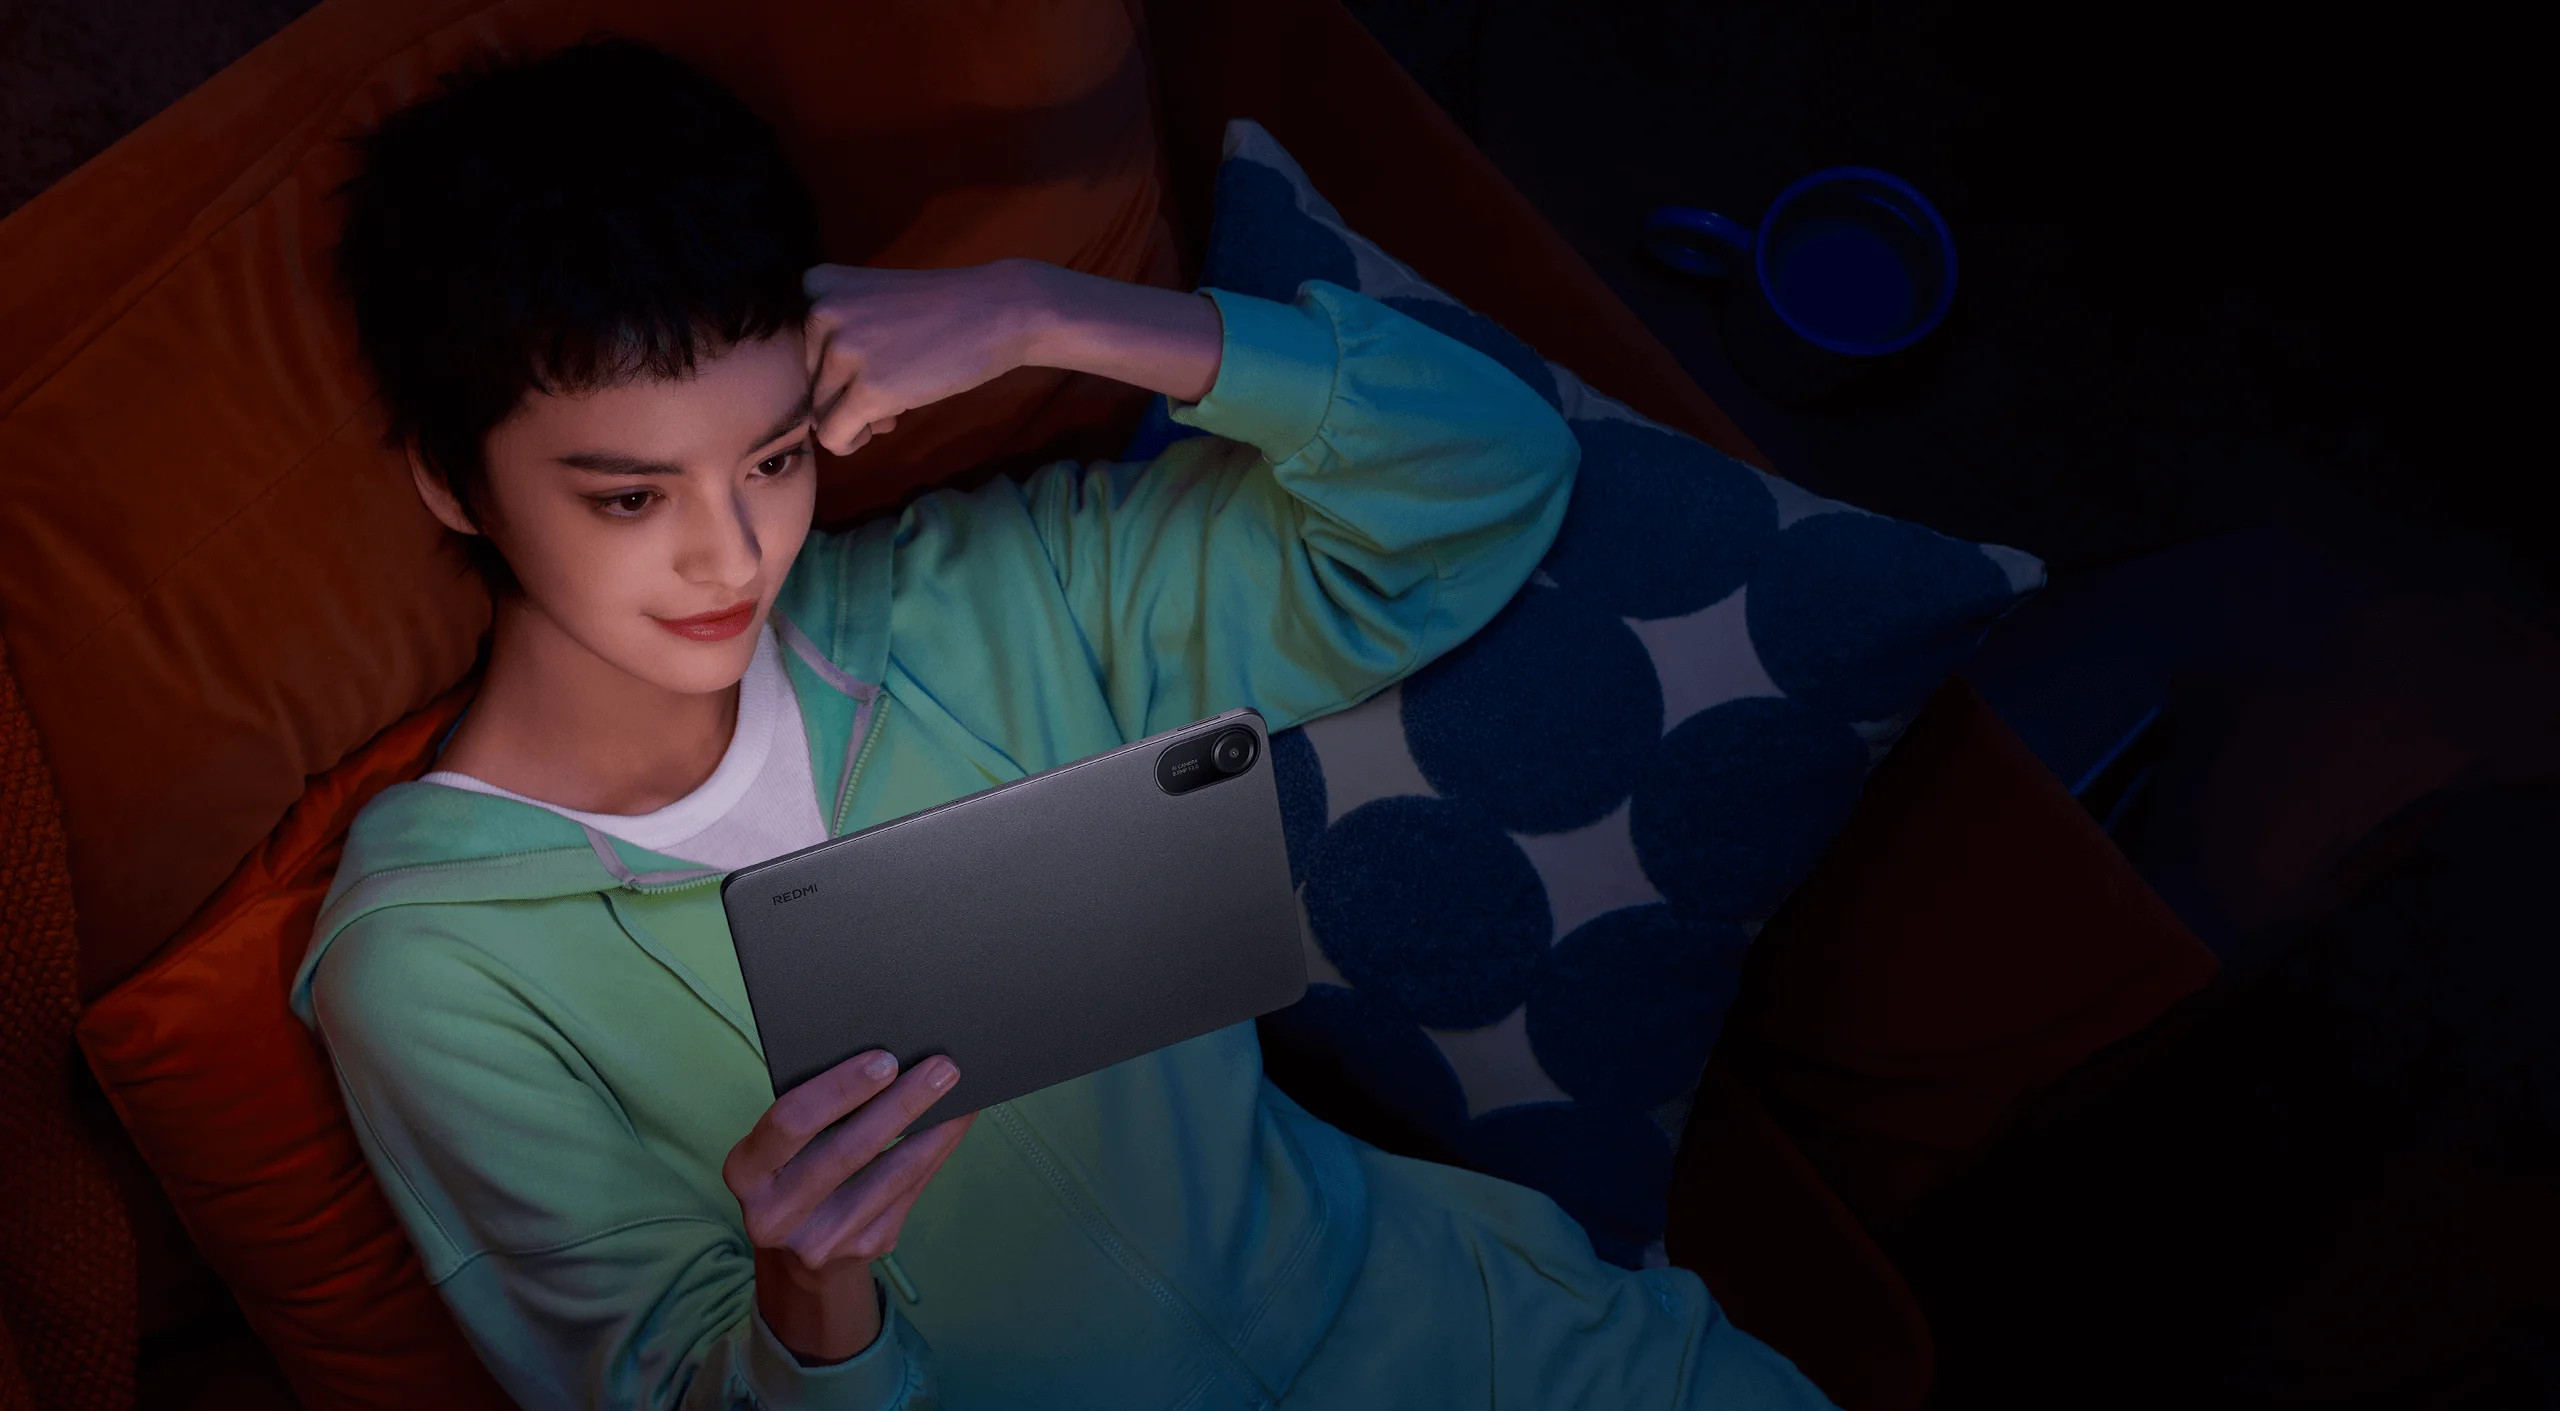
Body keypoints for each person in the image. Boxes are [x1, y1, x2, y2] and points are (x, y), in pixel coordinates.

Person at [292, 38, 1834, 1411]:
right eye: (631, 498)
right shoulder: (432, 970)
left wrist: (1047, 310)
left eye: (771, 459)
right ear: (453, 483)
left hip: (1492, 1339)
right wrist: (811, 1311)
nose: (733, 555)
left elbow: (1488, 481)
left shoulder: (985, 597)